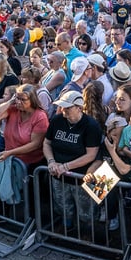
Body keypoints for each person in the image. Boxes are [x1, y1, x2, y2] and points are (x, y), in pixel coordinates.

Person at [43, 90, 102, 230]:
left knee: (86, 212)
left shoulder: (91, 125)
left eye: (67, 107)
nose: (63, 110)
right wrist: (51, 161)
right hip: (58, 176)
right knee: (63, 206)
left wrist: (66, 166)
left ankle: (89, 235)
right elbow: (46, 143)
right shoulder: (57, 120)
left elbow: (91, 154)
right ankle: (66, 230)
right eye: (62, 106)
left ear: (79, 108)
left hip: (82, 177)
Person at [0, 84, 49, 169]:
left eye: (23, 99)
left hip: (29, 163)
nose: (18, 102)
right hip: (11, 158)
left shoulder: (40, 116)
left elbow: (35, 144)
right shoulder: (13, 109)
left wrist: (10, 152)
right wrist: (10, 101)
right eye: (17, 98)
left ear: (32, 100)